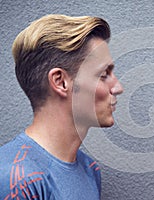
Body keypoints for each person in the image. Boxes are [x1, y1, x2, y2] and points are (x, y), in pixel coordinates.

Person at [0, 14, 123, 199]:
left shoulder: (90, 169)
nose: (118, 88)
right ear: (61, 82)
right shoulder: (16, 179)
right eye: (104, 74)